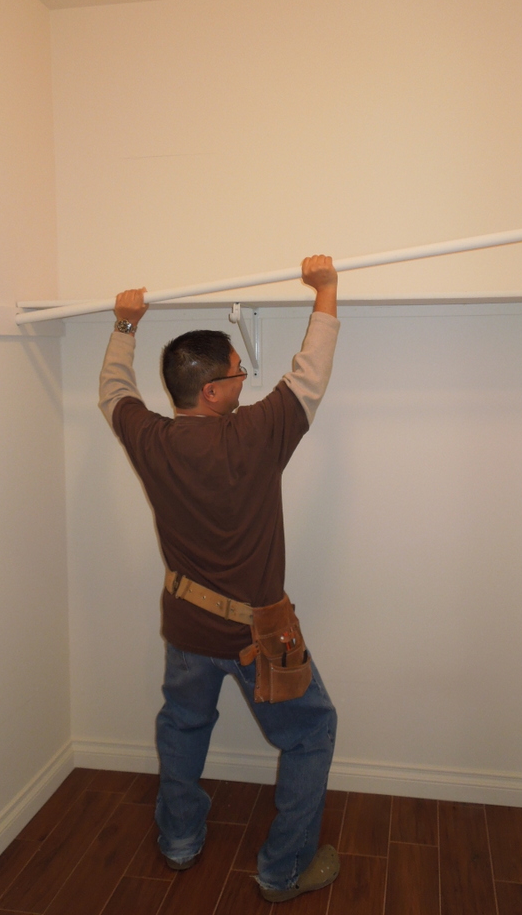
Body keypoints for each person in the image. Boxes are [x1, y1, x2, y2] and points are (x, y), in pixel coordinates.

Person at [98, 255, 341, 903]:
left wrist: (125, 324)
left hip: (187, 630)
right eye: (237, 372)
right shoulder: (255, 435)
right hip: (260, 635)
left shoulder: (151, 439)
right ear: (211, 391)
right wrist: (326, 290)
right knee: (312, 731)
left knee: (183, 727)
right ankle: (283, 870)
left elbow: (113, 391)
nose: (244, 379)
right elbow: (311, 374)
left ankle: (179, 840)